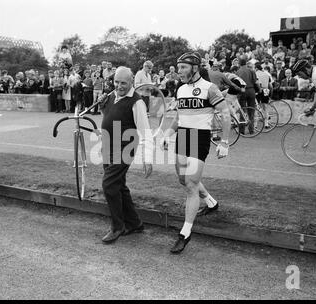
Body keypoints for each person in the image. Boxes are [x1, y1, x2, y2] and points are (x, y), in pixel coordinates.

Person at [160, 52, 230, 254]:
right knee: (183, 180)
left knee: (190, 185)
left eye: (183, 67)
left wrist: (224, 142)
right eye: (178, 67)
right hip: (183, 136)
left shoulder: (210, 88)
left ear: (195, 68)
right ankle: (210, 201)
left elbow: (226, 115)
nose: (179, 71)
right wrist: (168, 134)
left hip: (199, 138)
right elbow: (179, 117)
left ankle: (185, 232)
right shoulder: (181, 89)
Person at [99, 66, 154, 244]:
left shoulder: (137, 102)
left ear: (132, 82)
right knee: (118, 186)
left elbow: (146, 132)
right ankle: (135, 223)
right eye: (116, 82)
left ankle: (118, 227)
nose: (119, 86)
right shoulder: (110, 95)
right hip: (108, 145)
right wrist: (102, 105)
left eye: (123, 82)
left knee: (109, 184)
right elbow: (109, 115)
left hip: (125, 147)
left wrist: (148, 159)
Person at [237, 58, 260, 135]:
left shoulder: (238, 72)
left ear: (239, 63)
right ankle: (251, 130)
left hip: (243, 91)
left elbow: (237, 83)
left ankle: (242, 130)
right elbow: (255, 82)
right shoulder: (251, 71)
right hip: (251, 91)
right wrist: (259, 89)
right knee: (251, 111)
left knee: (243, 111)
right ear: (246, 63)